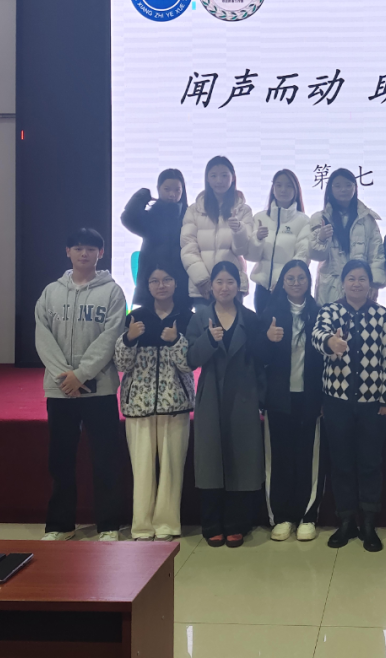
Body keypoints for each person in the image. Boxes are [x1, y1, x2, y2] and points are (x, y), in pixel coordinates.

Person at [34, 227, 127, 542]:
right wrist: (65, 376)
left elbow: (111, 336)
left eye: (90, 248)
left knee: (105, 457)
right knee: (60, 459)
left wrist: (82, 374)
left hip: (99, 388)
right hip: (60, 389)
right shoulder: (51, 292)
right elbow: (42, 335)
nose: (84, 253)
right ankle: (60, 525)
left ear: (101, 253)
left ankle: (109, 525)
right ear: (68, 252)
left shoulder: (112, 292)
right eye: (77, 248)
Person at [311, 259, 386, 552]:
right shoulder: (330, 311)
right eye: (351, 278)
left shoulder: (382, 315)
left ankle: (369, 523)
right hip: (336, 402)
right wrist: (330, 343)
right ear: (343, 283)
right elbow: (317, 336)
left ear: (370, 285)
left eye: (362, 279)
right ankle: (346, 520)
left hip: (372, 405)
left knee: (370, 463)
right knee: (342, 463)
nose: (357, 284)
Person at [186, 261, 266, 548]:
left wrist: (262, 398)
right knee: (210, 460)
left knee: (241, 459)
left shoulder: (251, 319)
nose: (224, 287)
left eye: (230, 282)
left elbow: (260, 361)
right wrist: (208, 339)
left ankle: (236, 523)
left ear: (239, 285)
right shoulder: (200, 318)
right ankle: (211, 524)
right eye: (219, 282)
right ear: (211, 286)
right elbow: (190, 359)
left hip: (243, 396)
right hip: (211, 396)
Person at [115, 266, 194, 542]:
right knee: (142, 469)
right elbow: (121, 364)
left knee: (172, 468)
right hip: (139, 404)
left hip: (176, 404)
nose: (161, 285)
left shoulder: (186, 317)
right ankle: (142, 526)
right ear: (147, 286)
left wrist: (176, 341)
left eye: (167, 279)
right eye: (155, 281)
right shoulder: (135, 317)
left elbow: (189, 364)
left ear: (176, 284)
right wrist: (129, 339)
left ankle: (167, 524)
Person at [258, 259, 326, 542]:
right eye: (290, 278)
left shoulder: (319, 314)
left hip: (310, 398)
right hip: (278, 399)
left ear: (309, 282)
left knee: (308, 458)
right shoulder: (269, 313)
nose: (296, 283)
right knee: (280, 459)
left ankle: (307, 516)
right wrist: (267, 339)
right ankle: (282, 516)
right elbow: (258, 359)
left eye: (301, 278)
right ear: (282, 283)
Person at [181, 156, 253, 310]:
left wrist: (238, 230)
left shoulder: (243, 210)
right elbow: (188, 247)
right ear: (207, 178)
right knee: (204, 326)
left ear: (233, 177)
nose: (219, 180)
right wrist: (202, 280)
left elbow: (242, 250)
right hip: (203, 288)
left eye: (224, 175)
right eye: (213, 175)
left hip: (232, 286)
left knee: (234, 326)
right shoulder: (194, 210)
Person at [309, 169, 386, 305]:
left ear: (355, 187)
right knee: (330, 318)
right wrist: (321, 239)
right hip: (330, 287)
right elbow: (316, 256)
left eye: (348, 185)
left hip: (360, 287)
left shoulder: (367, 219)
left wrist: (374, 283)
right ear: (330, 189)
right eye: (337, 186)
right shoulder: (320, 218)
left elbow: (376, 254)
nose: (343, 189)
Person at [120, 168, 190, 308]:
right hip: (151, 282)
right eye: (167, 189)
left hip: (180, 284)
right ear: (158, 188)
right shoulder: (151, 217)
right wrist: (142, 195)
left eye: (177, 190)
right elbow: (127, 217)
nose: (172, 194)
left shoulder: (189, 217)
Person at [246, 169, 312, 314]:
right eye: (279, 185)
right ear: (273, 188)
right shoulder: (260, 218)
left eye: (289, 186)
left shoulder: (303, 221)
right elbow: (251, 257)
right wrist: (257, 239)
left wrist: (283, 280)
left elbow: (302, 255)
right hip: (262, 288)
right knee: (261, 326)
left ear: (296, 190)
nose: (283, 190)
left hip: (289, 288)